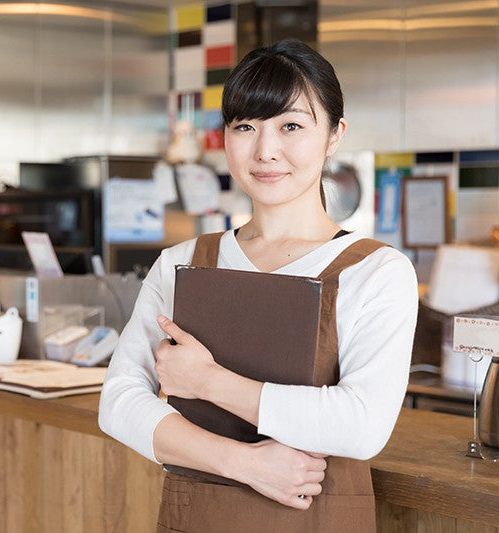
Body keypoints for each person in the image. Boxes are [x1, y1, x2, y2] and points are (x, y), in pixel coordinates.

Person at [98, 39, 418, 532]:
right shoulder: (183, 262)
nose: (266, 151)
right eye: (245, 127)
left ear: (334, 134)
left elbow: (360, 425)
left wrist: (208, 382)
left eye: (291, 126)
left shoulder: (376, 271)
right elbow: (118, 403)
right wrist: (244, 464)